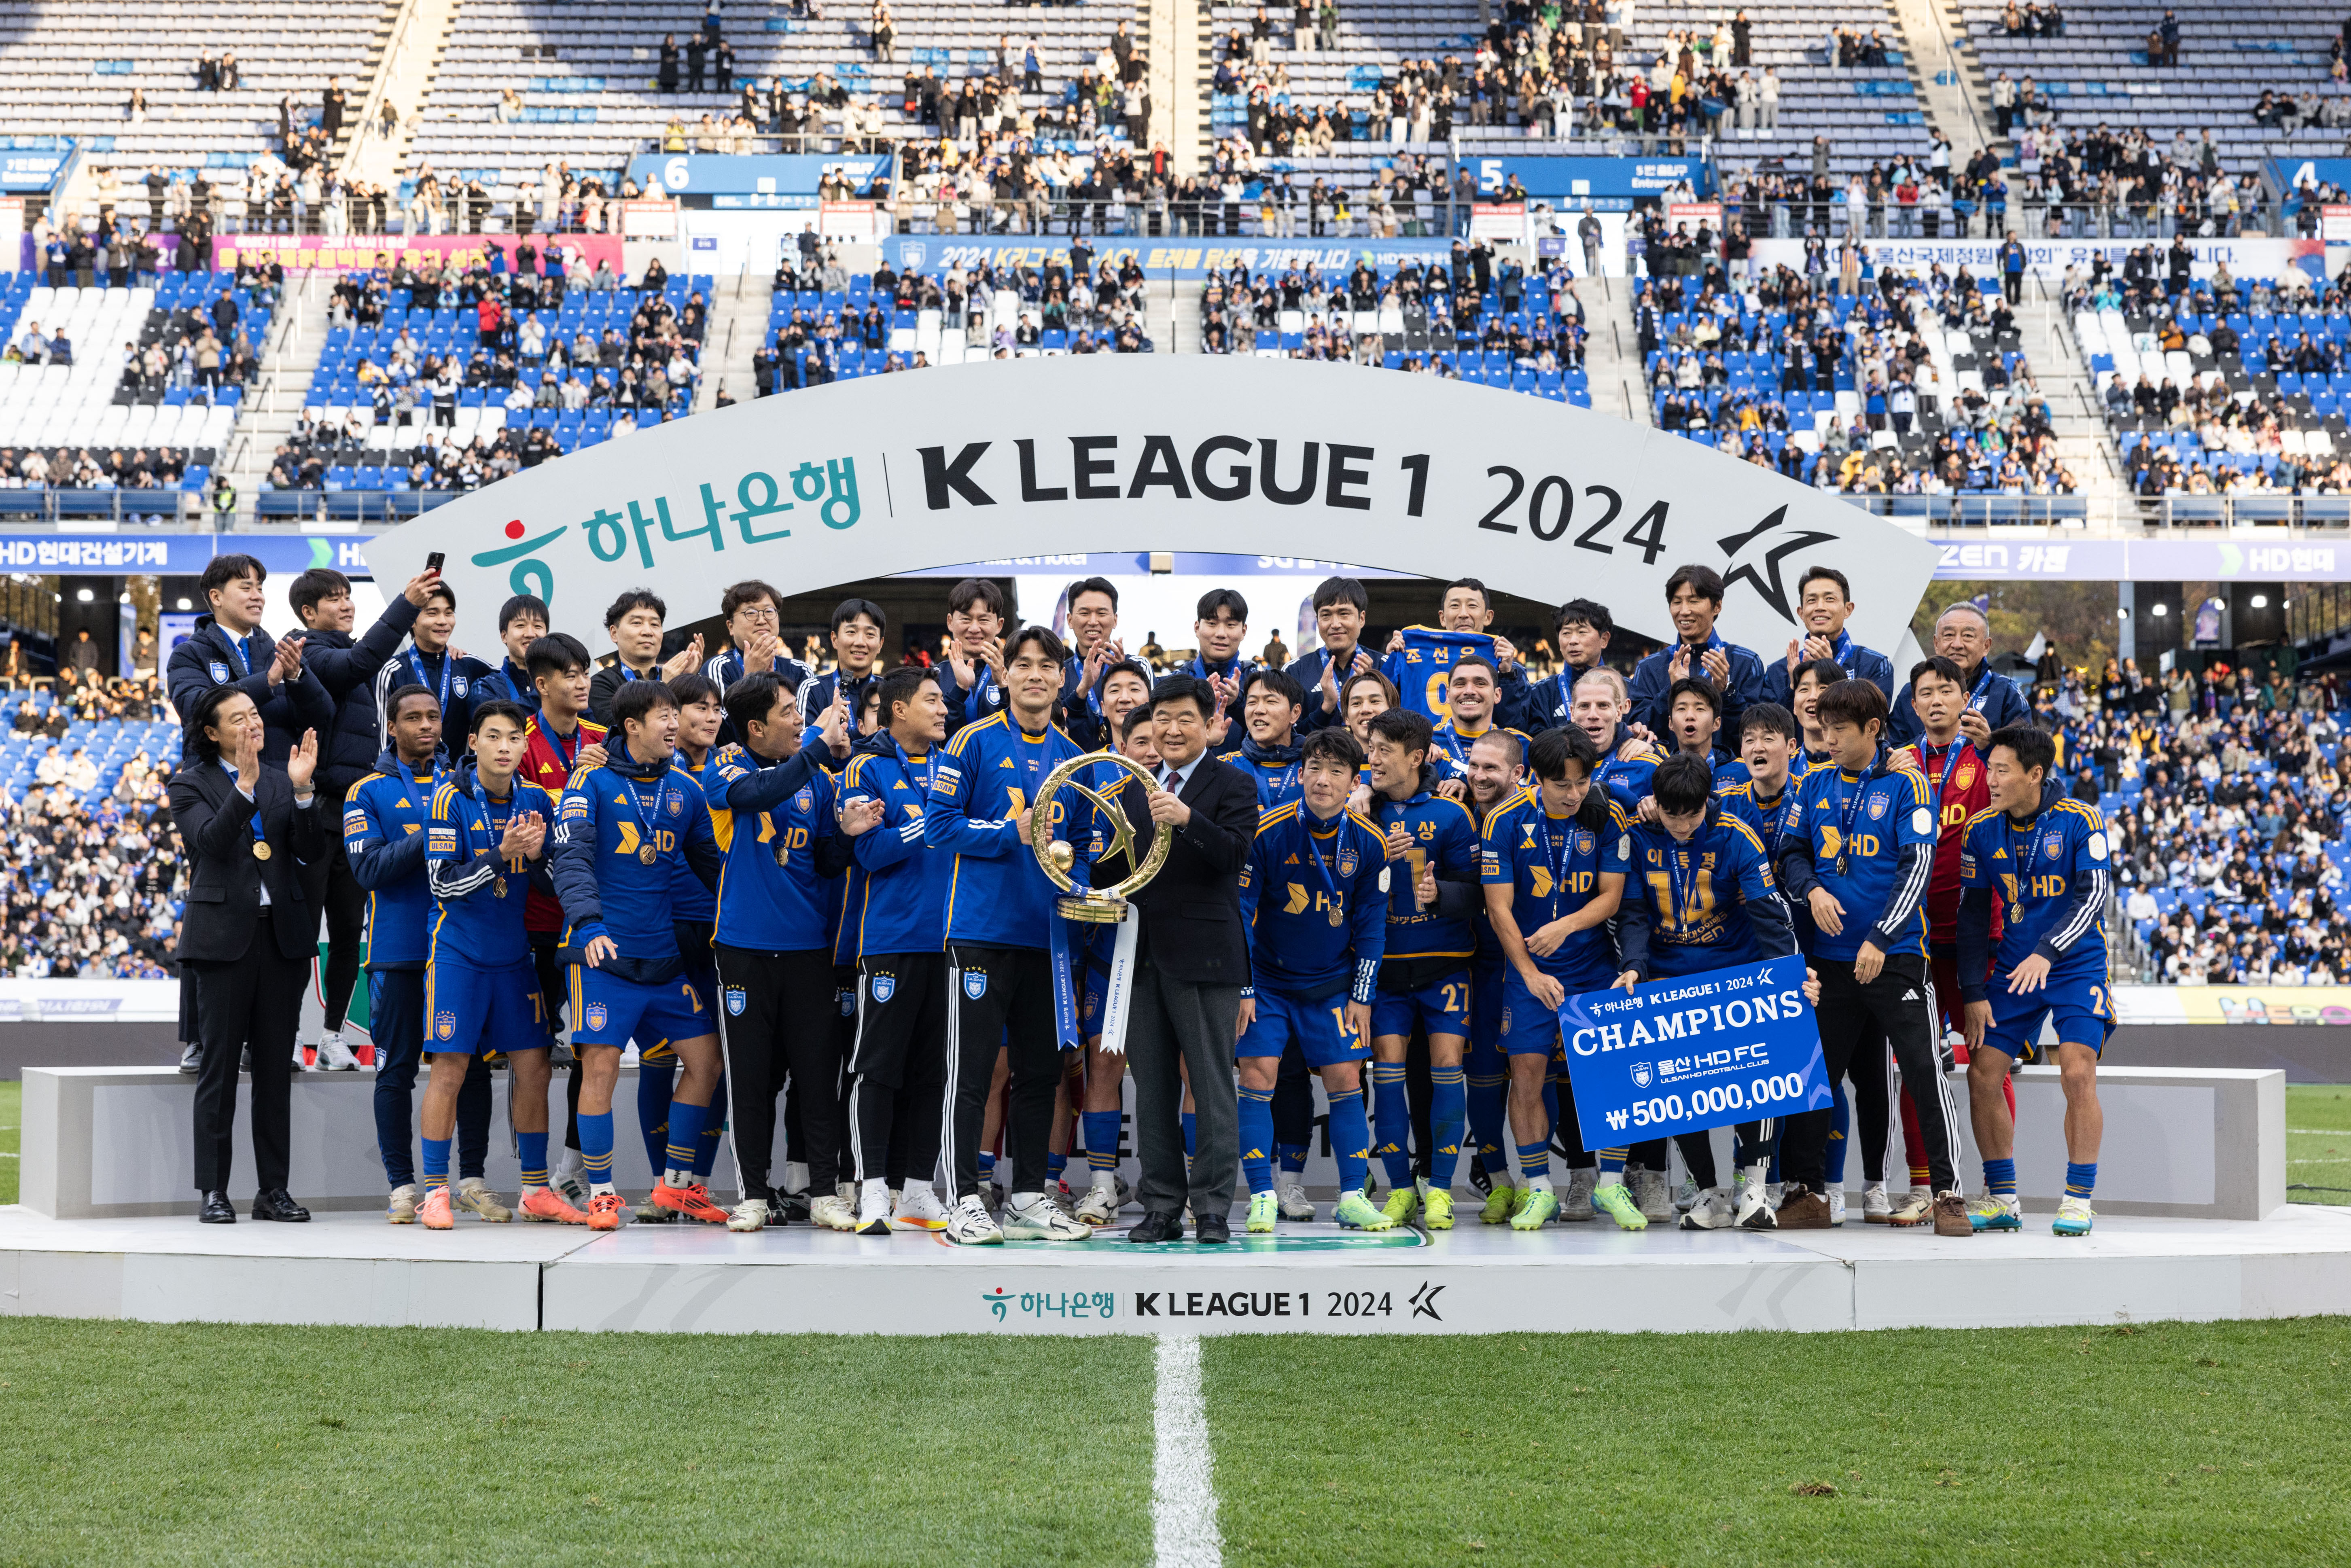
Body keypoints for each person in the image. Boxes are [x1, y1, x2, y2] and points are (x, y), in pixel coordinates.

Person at [1774, 679, 1971, 1235]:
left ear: (1873, 729)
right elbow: (1789, 852)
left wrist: (1881, 939)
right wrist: (1812, 889)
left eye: (1840, 729)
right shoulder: (1812, 783)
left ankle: (1947, 1195)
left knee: (1923, 1072)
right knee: (1813, 1077)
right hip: (1832, 962)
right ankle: (1808, 1193)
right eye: (1823, 728)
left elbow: (1917, 867)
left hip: (1896, 957)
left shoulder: (1908, 784)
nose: (1829, 739)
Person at [924, 626, 1096, 1244]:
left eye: (1046, 666)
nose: (1034, 675)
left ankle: (1027, 1197)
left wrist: (1079, 882)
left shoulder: (1075, 757)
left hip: (1046, 939)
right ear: (1008, 675)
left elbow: (1082, 843)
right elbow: (939, 828)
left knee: (1040, 1074)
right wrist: (1008, 833)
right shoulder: (971, 740)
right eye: (1022, 664)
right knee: (971, 1073)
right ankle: (962, 1201)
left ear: (1061, 678)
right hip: (979, 934)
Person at [546, 680, 728, 1231]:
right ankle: (601, 1194)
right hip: (602, 956)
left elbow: (714, 868)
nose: (675, 724)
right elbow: (571, 857)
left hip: (663, 958)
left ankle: (675, 1185)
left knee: (706, 1063)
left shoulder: (686, 789)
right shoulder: (590, 781)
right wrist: (589, 923)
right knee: (599, 1068)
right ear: (631, 726)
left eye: (676, 714)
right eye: (663, 716)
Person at [1612, 753, 1806, 1231]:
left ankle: (1755, 1191)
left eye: (1692, 815)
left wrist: (1790, 973)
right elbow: (1633, 914)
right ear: (1656, 802)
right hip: (1668, 975)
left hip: (1735, 971)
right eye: (1672, 814)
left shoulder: (1737, 836)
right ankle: (1708, 1192)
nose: (1681, 825)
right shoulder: (1638, 836)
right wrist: (1634, 967)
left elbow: (1769, 914)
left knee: (1759, 1074)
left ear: (1708, 802)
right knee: (1674, 1083)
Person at [413, 701, 575, 1227]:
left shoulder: (536, 800)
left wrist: (540, 856)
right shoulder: (449, 798)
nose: (505, 747)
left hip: (513, 957)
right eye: (493, 736)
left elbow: (550, 881)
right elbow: (442, 884)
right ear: (474, 743)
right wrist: (500, 855)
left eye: (514, 738)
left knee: (534, 1069)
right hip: (458, 955)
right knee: (450, 1070)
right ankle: (435, 1192)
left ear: (524, 746)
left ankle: (535, 1190)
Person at [169, 690, 324, 1225]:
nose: (252, 723)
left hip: (280, 939)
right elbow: (210, 842)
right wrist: (245, 786)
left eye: (255, 715)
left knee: (275, 1072)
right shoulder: (189, 784)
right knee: (218, 1071)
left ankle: (273, 1190)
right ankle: (213, 1190)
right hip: (221, 942)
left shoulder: (283, 778)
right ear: (212, 733)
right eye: (238, 719)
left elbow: (310, 852)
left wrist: (303, 791)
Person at [347, 685, 500, 1222]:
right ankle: (402, 1186)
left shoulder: (468, 784)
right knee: (396, 1070)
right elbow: (369, 869)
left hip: (461, 951)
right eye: (413, 718)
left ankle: (472, 1180)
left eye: (433, 716)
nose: (427, 725)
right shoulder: (367, 791)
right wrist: (435, 831)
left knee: (471, 1068)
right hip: (399, 952)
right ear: (392, 727)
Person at [710, 670, 855, 1231]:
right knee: (750, 1081)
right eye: (789, 712)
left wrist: (847, 834)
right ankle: (752, 1194)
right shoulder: (726, 767)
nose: (800, 721)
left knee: (818, 1078)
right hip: (743, 949)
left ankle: (823, 1193)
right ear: (755, 727)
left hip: (808, 951)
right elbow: (756, 794)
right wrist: (818, 747)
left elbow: (826, 862)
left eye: (801, 711)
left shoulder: (818, 781)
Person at [1119, 676, 1260, 1244]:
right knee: (1151, 1091)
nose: (1172, 729)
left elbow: (1235, 855)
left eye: (1184, 719)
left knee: (1211, 1087)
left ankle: (1212, 1208)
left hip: (1206, 960)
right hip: (1139, 958)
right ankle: (1160, 1206)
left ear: (1209, 725)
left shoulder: (1234, 782)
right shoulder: (1133, 790)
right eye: (1162, 718)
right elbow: (1118, 871)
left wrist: (1187, 819)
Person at [1234, 727, 1391, 1232]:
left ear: (1354, 781)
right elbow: (1240, 914)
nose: (1324, 780)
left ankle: (1352, 1196)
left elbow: (1372, 927)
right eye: (1315, 769)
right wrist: (1244, 988)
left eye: (1336, 771)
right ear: (1301, 774)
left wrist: (1362, 996)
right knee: (1258, 1075)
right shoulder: (1266, 832)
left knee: (1346, 1079)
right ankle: (1262, 1195)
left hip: (1333, 984)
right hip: (1268, 983)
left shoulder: (1370, 842)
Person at [1483, 724, 1639, 1229]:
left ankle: (1611, 1184)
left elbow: (1612, 896)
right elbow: (1498, 908)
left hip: (1592, 966)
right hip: (1528, 969)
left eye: (1582, 782)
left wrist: (1566, 925)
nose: (1574, 795)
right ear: (1535, 777)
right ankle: (1538, 1190)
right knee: (1527, 1074)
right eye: (1562, 784)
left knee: (1610, 1072)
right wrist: (1529, 973)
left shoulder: (1606, 813)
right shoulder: (1505, 820)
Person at [1959, 725, 2112, 1237]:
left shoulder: (2081, 820)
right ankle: (2003, 1199)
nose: (1991, 780)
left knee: (2077, 1072)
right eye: (1989, 769)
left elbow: (2093, 897)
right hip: (2014, 967)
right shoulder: (1980, 829)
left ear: (2035, 774)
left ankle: (2078, 1200)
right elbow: (1972, 915)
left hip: (2074, 962)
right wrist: (1973, 992)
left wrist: (2048, 951)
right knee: (1983, 1074)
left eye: (2002, 771)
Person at [291, 563, 441, 1072]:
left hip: (357, 812)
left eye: (348, 595)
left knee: (348, 933)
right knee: (302, 935)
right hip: (315, 813)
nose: (347, 604)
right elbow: (357, 663)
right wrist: (406, 605)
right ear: (309, 613)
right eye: (334, 598)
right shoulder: (308, 650)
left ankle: (332, 1036)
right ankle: (287, 1032)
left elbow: (378, 667)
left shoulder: (363, 663)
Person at [1887, 654, 2011, 1213]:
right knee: (1918, 1064)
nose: (1936, 700)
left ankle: (1998, 1190)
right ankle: (1922, 1187)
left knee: (1989, 1064)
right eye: (1925, 693)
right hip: (1911, 938)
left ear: (1965, 699)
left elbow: (2039, 800)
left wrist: (1991, 754)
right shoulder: (1898, 764)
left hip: (1975, 938)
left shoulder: (1988, 760)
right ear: (1913, 706)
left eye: (1945, 691)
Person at [837, 665, 953, 1235]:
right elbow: (870, 852)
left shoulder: (954, 764)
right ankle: (873, 1189)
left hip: (951, 939)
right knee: (877, 1070)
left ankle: (918, 1190)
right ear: (899, 709)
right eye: (932, 700)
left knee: (933, 1073)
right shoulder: (866, 766)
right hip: (889, 942)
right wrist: (936, 825)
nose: (943, 708)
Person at [1360, 707, 1482, 1229]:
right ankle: (1400, 1190)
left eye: (1384, 751)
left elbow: (1478, 893)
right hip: (1384, 972)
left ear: (1416, 757)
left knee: (1447, 1070)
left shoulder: (1453, 815)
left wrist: (1440, 894)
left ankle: (1441, 1190)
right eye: (1370, 748)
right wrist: (1373, 852)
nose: (1372, 759)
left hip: (1444, 967)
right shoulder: (1357, 811)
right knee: (1388, 1078)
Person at [166, 553, 334, 763]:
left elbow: (322, 717)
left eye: (260, 589)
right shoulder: (188, 654)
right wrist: (266, 682)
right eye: (246, 588)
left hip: (277, 779)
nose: (258, 597)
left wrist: (298, 677)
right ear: (216, 597)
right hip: (216, 779)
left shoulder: (281, 653)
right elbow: (196, 709)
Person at [1628, 564, 1766, 757]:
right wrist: (1671, 691)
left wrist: (1727, 692)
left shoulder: (1746, 662)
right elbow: (1637, 731)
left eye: (1694, 601)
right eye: (1677, 602)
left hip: (1730, 772)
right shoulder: (1649, 667)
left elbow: (1759, 734)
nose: (1684, 611)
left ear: (1717, 606)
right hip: (1665, 771)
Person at [371, 578, 493, 759]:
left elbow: (514, 675)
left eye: (449, 613)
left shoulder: (471, 666)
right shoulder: (392, 672)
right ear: (412, 620)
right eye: (432, 613)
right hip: (408, 775)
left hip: (459, 776)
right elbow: (383, 743)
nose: (443, 621)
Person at [1887, 600, 2032, 746]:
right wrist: (1930, 743)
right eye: (1949, 635)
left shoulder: (2006, 692)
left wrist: (1987, 744)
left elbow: (2024, 749)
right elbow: (1893, 749)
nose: (1957, 645)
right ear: (1937, 644)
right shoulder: (1911, 693)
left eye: (1968, 636)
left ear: (1986, 646)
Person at [1764, 565, 1895, 708]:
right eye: (1812, 600)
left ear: (1848, 609)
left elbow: (1872, 717)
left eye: (1830, 599)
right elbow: (1769, 722)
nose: (1820, 607)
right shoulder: (1778, 671)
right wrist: (1792, 688)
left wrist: (1831, 674)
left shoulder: (1875, 665)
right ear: (1801, 613)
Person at [702, 579, 813, 744]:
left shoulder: (801, 670)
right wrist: (751, 678)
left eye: (769, 611)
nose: (762, 620)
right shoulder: (719, 668)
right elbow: (726, 735)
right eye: (751, 613)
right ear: (731, 627)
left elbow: (804, 733)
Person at [587, 587, 703, 726]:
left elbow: (698, 727)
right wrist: (665, 687)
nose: (648, 632)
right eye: (637, 623)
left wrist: (686, 681)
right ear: (614, 633)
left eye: (655, 624)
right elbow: (621, 732)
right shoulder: (601, 685)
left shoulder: (672, 676)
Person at [797, 597, 888, 761]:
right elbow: (798, 754)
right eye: (851, 632)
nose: (860, 642)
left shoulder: (891, 691)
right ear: (835, 639)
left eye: (870, 634)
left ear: (881, 644)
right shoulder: (813, 690)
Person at [1287, 575, 1378, 733]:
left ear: (1361, 619)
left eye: (1344, 614)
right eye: (1326, 615)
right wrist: (1326, 708)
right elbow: (1288, 736)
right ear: (1318, 621)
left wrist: (1371, 685)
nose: (1335, 624)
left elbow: (1398, 731)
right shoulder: (1295, 672)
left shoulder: (1385, 666)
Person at [1512, 598, 1618, 733]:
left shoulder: (1625, 688)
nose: (1573, 641)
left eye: (1582, 632)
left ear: (1604, 639)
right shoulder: (1541, 693)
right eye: (1566, 633)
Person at [1217, 667, 1307, 809]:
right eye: (1252, 702)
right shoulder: (1226, 766)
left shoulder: (1314, 766)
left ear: (1295, 713)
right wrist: (1206, 742)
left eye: (1271, 701)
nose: (1259, 710)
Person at [940, 576, 1010, 735]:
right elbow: (928, 732)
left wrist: (1004, 686)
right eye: (966, 619)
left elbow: (1021, 729)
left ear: (999, 625)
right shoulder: (934, 678)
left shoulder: (1013, 675)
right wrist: (960, 689)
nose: (974, 629)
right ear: (950, 622)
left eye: (984, 620)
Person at [473, 593, 552, 716]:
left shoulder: (560, 682)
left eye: (538, 626)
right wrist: (550, 692)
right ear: (504, 636)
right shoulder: (486, 686)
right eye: (521, 626)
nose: (530, 634)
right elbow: (495, 721)